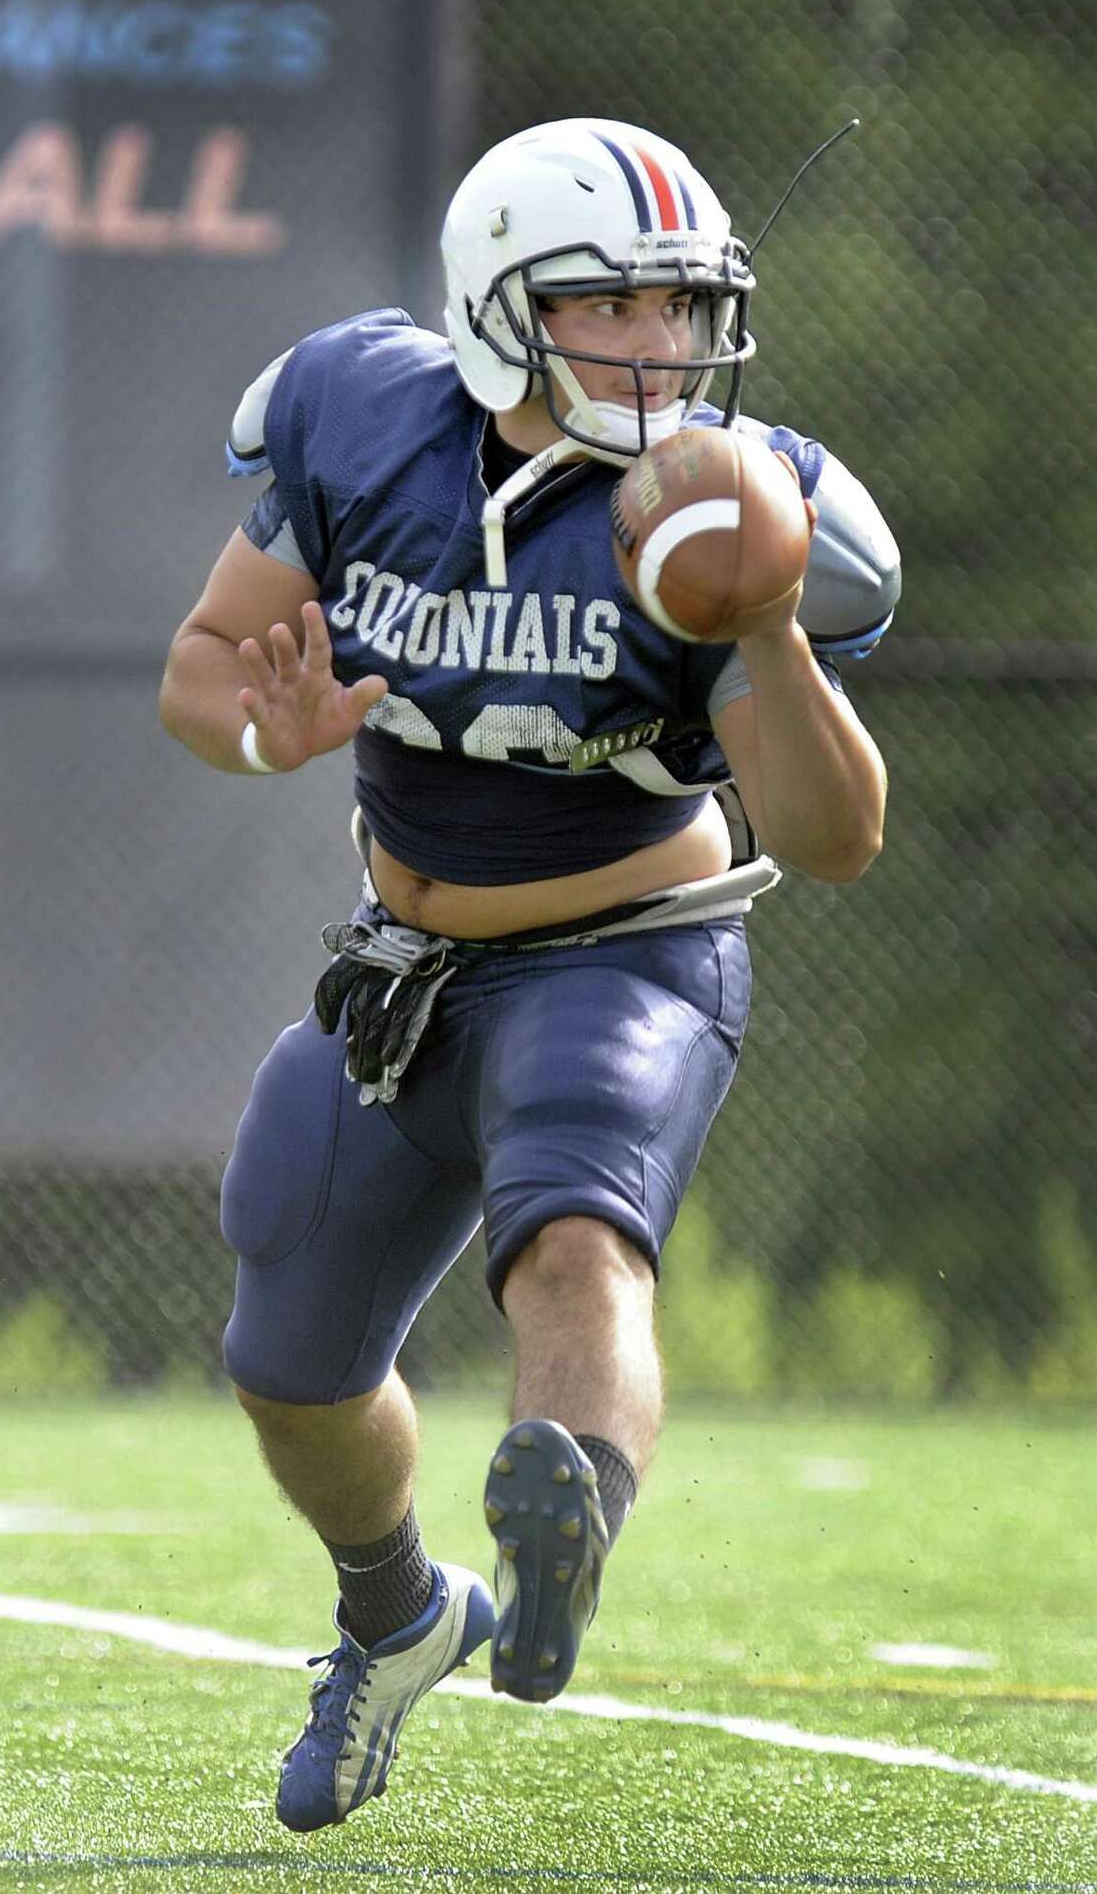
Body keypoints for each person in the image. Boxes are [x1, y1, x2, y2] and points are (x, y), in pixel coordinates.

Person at [159, 117, 898, 1831]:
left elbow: (837, 837)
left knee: (575, 1239)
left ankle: (569, 1509)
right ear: (500, 302)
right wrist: (266, 736)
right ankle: (400, 1614)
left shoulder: (716, 498)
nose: (660, 345)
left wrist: (769, 623)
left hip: (623, 952)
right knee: (287, 1348)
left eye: (683, 306)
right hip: (405, 960)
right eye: (615, 304)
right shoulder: (358, 416)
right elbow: (202, 670)